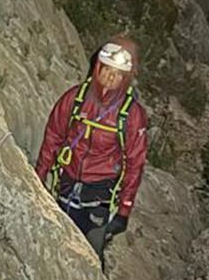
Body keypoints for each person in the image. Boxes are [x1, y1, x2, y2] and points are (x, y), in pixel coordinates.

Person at [36, 35, 149, 264]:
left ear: (125, 78)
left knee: (90, 256)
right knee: (56, 250)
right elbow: (53, 137)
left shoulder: (131, 115)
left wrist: (124, 211)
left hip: (100, 194)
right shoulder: (74, 99)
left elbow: (135, 164)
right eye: (107, 69)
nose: (110, 77)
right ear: (97, 68)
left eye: (118, 73)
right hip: (67, 185)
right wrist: (39, 176)